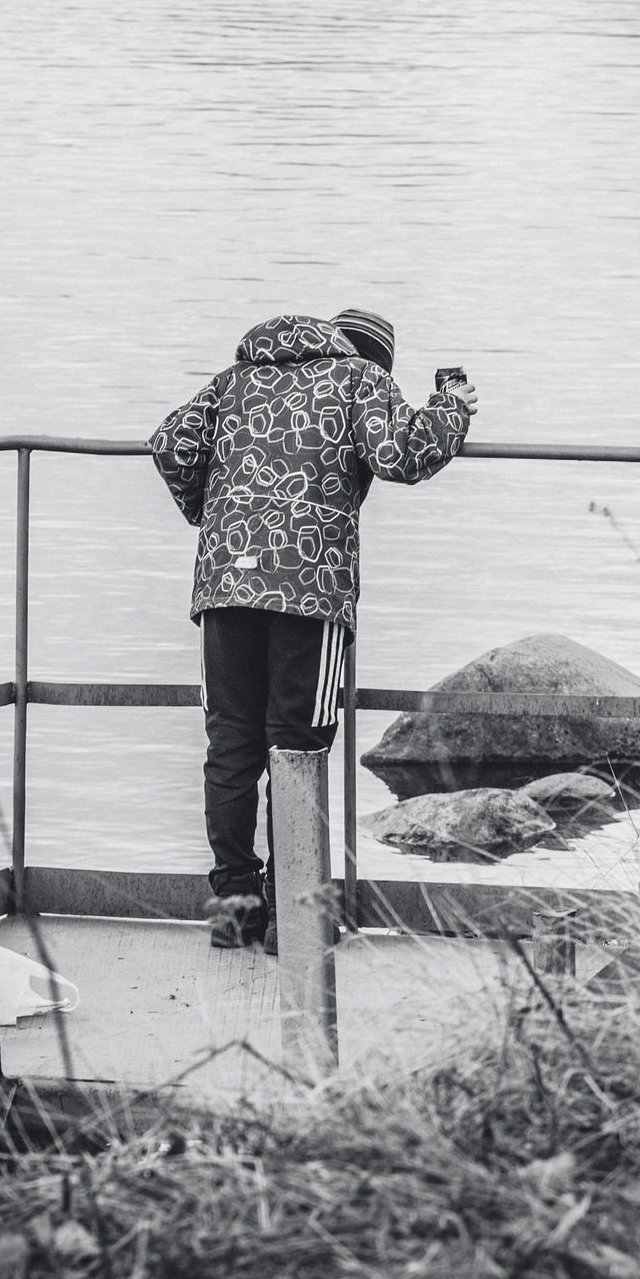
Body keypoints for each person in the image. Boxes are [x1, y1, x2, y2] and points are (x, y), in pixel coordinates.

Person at [148, 307, 478, 949]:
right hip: (309, 589)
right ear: (376, 360)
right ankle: (292, 916)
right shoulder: (360, 378)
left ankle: (234, 909)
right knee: (297, 743)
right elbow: (403, 454)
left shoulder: (235, 380)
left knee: (231, 742)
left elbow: (171, 444)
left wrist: (211, 513)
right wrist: (450, 405)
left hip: (227, 582)